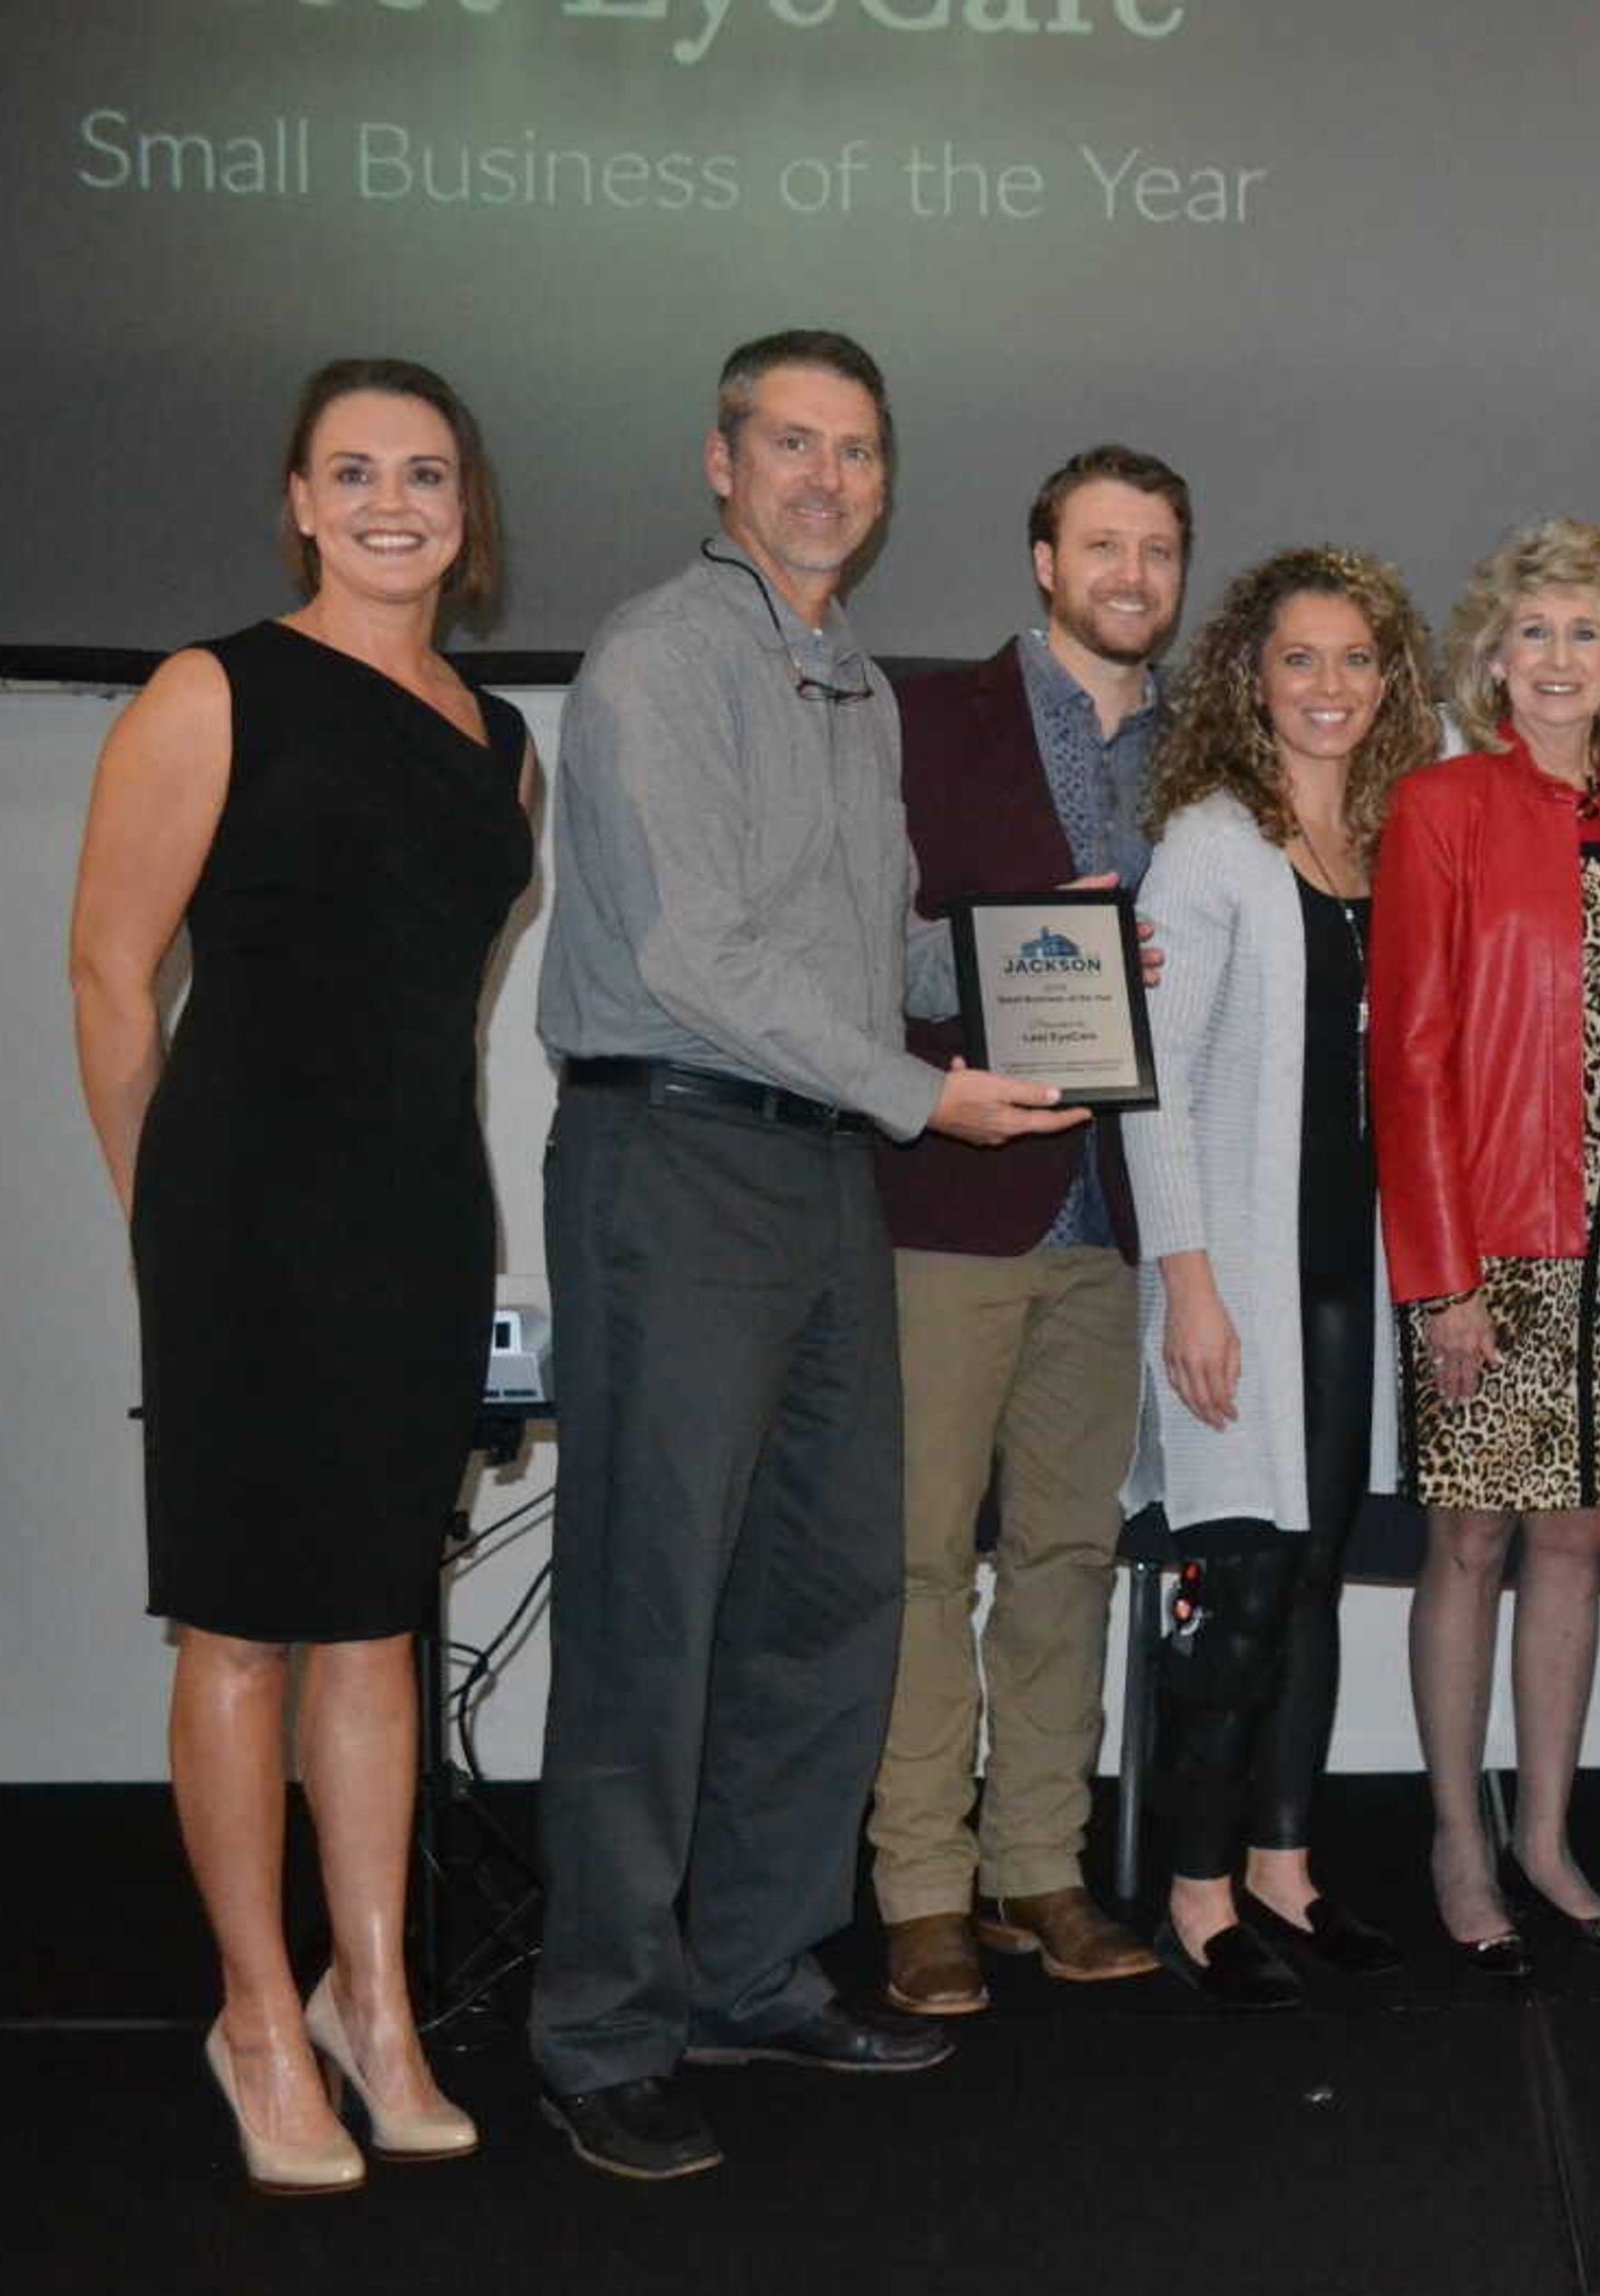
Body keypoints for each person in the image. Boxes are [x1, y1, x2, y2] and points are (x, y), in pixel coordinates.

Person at [532, 329, 1088, 2181]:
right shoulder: (658, 658)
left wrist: (1044, 959)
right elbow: (696, 961)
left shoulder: (849, 682)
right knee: (653, 1611)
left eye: (856, 450)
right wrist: (925, 1102)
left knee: (832, 1594)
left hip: (822, 1173)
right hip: (674, 1162)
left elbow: (884, 960)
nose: (826, 477)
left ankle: (751, 1973)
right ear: (722, 461)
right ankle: (601, 2028)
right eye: (792, 443)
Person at [70, 355, 530, 2194]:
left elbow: (438, 997)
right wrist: (159, 1218)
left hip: (420, 1213)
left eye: (426, 471)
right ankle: (257, 2017)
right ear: (298, 498)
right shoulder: (213, 690)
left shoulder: (505, 741)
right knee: (246, 1624)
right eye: (354, 470)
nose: (392, 499)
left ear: (466, 510)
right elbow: (115, 981)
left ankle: (375, 2008)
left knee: (376, 1621)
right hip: (241, 1216)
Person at [868, 446, 1193, 2017]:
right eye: (1103, 546)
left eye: (1159, 550)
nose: (1132, 575)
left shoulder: (1204, 754)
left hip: (1117, 1210)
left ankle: (1038, 1868)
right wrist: (1017, 955)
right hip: (950, 1198)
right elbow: (860, 944)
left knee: (1070, 1551)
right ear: (1043, 560)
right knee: (925, 1558)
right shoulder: (923, 720)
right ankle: (922, 1888)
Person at [1121, 546, 1442, 2007]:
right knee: (1238, 1588)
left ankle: (1286, 1871)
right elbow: (1155, 1090)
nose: (1329, 685)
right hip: (1237, 1281)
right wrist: (1189, 1286)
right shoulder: (1208, 842)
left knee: (1314, 1580)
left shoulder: (1386, 848)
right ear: (1252, 675)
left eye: (1356, 659)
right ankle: (1196, 1895)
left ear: (1392, 683)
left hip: (1346, 1285)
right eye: (1299, 657)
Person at [1372, 517, 1600, 1972]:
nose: (1559, 658)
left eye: (1585, 633)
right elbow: (1412, 1060)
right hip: (1488, 1240)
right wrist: (1438, 1278)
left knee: (1578, 1534)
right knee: (1471, 1535)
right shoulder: (1439, 808)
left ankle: (1549, 1839)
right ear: (1491, 659)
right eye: (1534, 632)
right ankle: (1457, 1836)